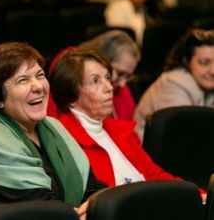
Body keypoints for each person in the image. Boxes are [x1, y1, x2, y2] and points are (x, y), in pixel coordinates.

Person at [0, 42, 107, 219]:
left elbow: (91, 187)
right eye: (23, 80)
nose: (38, 86)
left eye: (40, 75)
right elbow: (37, 211)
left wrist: (96, 205)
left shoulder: (55, 128)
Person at [48, 49, 186, 188]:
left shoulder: (120, 131)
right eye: (95, 81)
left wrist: (198, 194)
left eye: (107, 78)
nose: (109, 87)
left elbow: (154, 175)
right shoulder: (62, 140)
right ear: (71, 95)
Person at [134, 28, 214, 141]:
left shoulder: (207, 86)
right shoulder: (172, 85)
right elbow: (185, 137)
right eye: (204, 63)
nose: (212, 71)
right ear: (186, 61)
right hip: (147, 156)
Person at [78, 30, 140, 120]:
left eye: (128, 76)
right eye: (120, 73)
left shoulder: (122, 91)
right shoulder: (74, 73)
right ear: (102, 59)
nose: (123, 84)